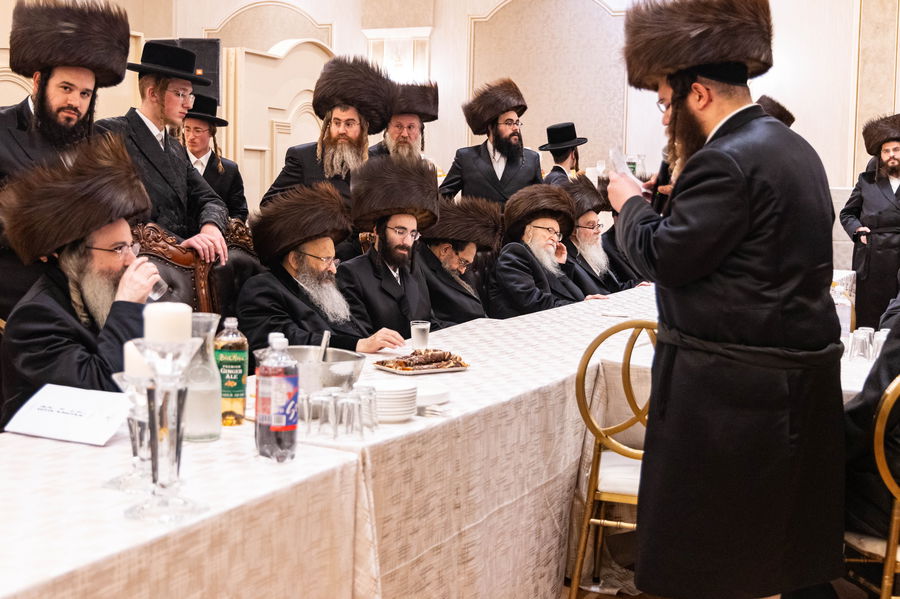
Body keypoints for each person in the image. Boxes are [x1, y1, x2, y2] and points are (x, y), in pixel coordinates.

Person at [607, 1, 845, 597]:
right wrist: (667, 200)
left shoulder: (724, 159)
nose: (666, 119)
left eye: (667, 103)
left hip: (731, 402)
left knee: (716, 566)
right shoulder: (793, 147)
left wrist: (628, 204)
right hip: (791, 390)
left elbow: (665, 258)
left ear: (700, 94)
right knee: (775, 557)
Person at [0, 135, 160, 428]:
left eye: (131, 246)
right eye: (118, 249)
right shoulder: (34, 320)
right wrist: (126, 308)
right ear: (75, 258)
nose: (130, 260)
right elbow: (100, 397)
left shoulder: (100, 294)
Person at [0, 0, 131, 323]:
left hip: (91, 298)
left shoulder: (100, 142)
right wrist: (33, 234)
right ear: (37, 82)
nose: (75, 102)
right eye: (66, 88)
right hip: (19, 298)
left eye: (85, 94)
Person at [96, 41, 229, 265]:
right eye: (180, 94)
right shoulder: (110, 133)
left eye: (190, 95)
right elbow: (113, 213)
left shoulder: (176, 148)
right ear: (153, 93)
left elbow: (211, 200)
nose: (188, 105)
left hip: (182, 265)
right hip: (134, 264)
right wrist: (177, 245)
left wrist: (211, 228)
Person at [236, 182, 404, 354]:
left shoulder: (320, 289)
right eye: (325, 260)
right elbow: (288, 340)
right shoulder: (262, 290)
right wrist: (357, 345)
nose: (333, 270)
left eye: (333, 260)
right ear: (295, 260)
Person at [262, 55, 394, 208]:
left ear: (363, 127)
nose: (341, 130)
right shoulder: (303, 158)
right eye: (336, 123)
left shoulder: (376, 164)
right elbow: (268, 204)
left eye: (349, 124)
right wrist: (315, 213)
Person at [336, 156, 443, 338]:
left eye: (413, 234)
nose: (407, 241)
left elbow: (429, 323)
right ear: (377, 230)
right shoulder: (351, 273)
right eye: (400, 231)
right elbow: (362, 338)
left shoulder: (414, 269)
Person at [487, 184, 605, 319]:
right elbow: (534, 303)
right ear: (529, 230)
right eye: (550, 230)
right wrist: (580, 307)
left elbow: (574, 296)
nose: (555, 238)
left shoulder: (541, 259)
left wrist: (560, 267)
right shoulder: (514, 253)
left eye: (557, 234)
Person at [439, 78, 542, 205]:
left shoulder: (532, 159)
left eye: (517, 123)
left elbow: (540, 204)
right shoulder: (465, 158)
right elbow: (441, 199)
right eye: (509, 123)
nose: (516, 128)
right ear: (491, 127)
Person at [840, 113, 900, 328]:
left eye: (896, 150)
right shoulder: (866, 181)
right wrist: (857, 230)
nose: (891, 155)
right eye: (886, 151)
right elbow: (847, 214)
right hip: (873, 256)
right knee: (870, 315)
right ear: (880, 155)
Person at [418, 196, 502, 325]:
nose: (463, 270)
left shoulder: (451, 266)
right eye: (463, 262)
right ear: (445, 249)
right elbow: (431, 322)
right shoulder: (419, 267)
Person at [563, 175, 640, 295]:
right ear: (573, 230)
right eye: (591, 226)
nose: (598, 231)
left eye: (598, 224)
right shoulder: (566, 259)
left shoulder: (593, 251)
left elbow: (615, 288)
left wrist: (637, 286)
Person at [182, 93, 248, 221]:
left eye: (197, 130)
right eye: (187, 129)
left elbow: (239, 213)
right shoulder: (173, 163)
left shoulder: (229, 170)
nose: (191, 136)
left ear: (211, 132)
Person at [368, 82, 438, 161]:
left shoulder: (418, 160)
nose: (404, 134)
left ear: (420, 131)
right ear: (387, 129)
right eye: (398, 126)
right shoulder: (369, 160)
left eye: (410, 127)